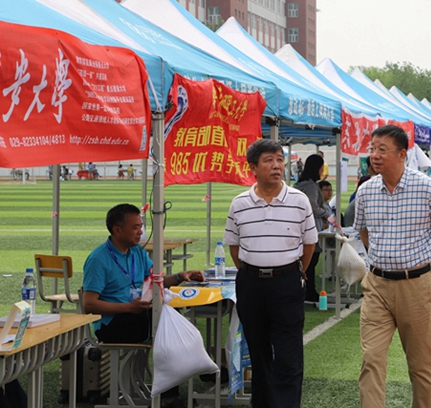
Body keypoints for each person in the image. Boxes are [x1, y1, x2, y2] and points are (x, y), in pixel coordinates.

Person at [354, 125, 431, 408]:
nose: (374, 155)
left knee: (420, 364)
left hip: (416, 285)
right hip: (376, 285)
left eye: (381, 149)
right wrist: (382, 256)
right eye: (372, 148)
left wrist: (421, 259)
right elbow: (363, 231)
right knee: (371, 358)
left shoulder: (427, 187)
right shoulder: (366, 191)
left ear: (401, 154)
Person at [223, 139, 317, 408]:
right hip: (251, 284)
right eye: (268, 160)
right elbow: (234, 247)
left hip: (287, 282)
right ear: (253, 167)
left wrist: (294, 272)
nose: (276, 166)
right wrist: (253, 271)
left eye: (279, 160)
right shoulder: (239, 203)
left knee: (289, 355)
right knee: (258, 352)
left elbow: (309, 244)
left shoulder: (299, 200)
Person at [82, 203, 205, 408]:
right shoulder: (98, 259)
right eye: (135, 227)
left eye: (141, 226)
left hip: (136, 314)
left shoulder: (137, 252)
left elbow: (156, 280)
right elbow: (88, 304)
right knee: (167, 328)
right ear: (117, 230)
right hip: (111, 325)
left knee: (169, 321)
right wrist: (129, 307)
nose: (141, 232)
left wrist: (180, 276)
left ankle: (170, 394)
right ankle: (169, 397)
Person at [294, 154, 332, 302]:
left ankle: (306, 290)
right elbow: (313, 207)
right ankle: (309, 291)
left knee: (306, 261)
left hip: (300, 225)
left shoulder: (300, 184)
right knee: (311, 260)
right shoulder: (311, 186)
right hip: (311, 226)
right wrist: (327, 214)